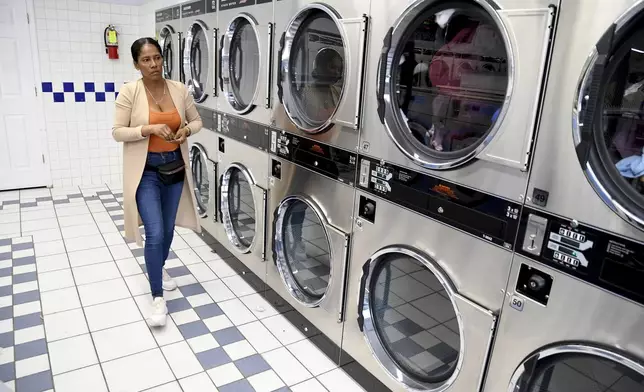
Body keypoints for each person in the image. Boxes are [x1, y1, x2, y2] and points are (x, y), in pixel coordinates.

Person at [112, 37, 203, 327]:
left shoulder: (179, 89)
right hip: (146, 172)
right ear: (136, 64)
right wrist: (148, 128)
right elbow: (117, 132)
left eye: (157, 58)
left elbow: (198, 121)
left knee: (167, 228)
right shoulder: (130, 92)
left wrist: (186, 130)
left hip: (174, 169)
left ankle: (158, 268)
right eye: (146, 60)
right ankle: (157, 297)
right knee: (154, 232)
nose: (154, 64)